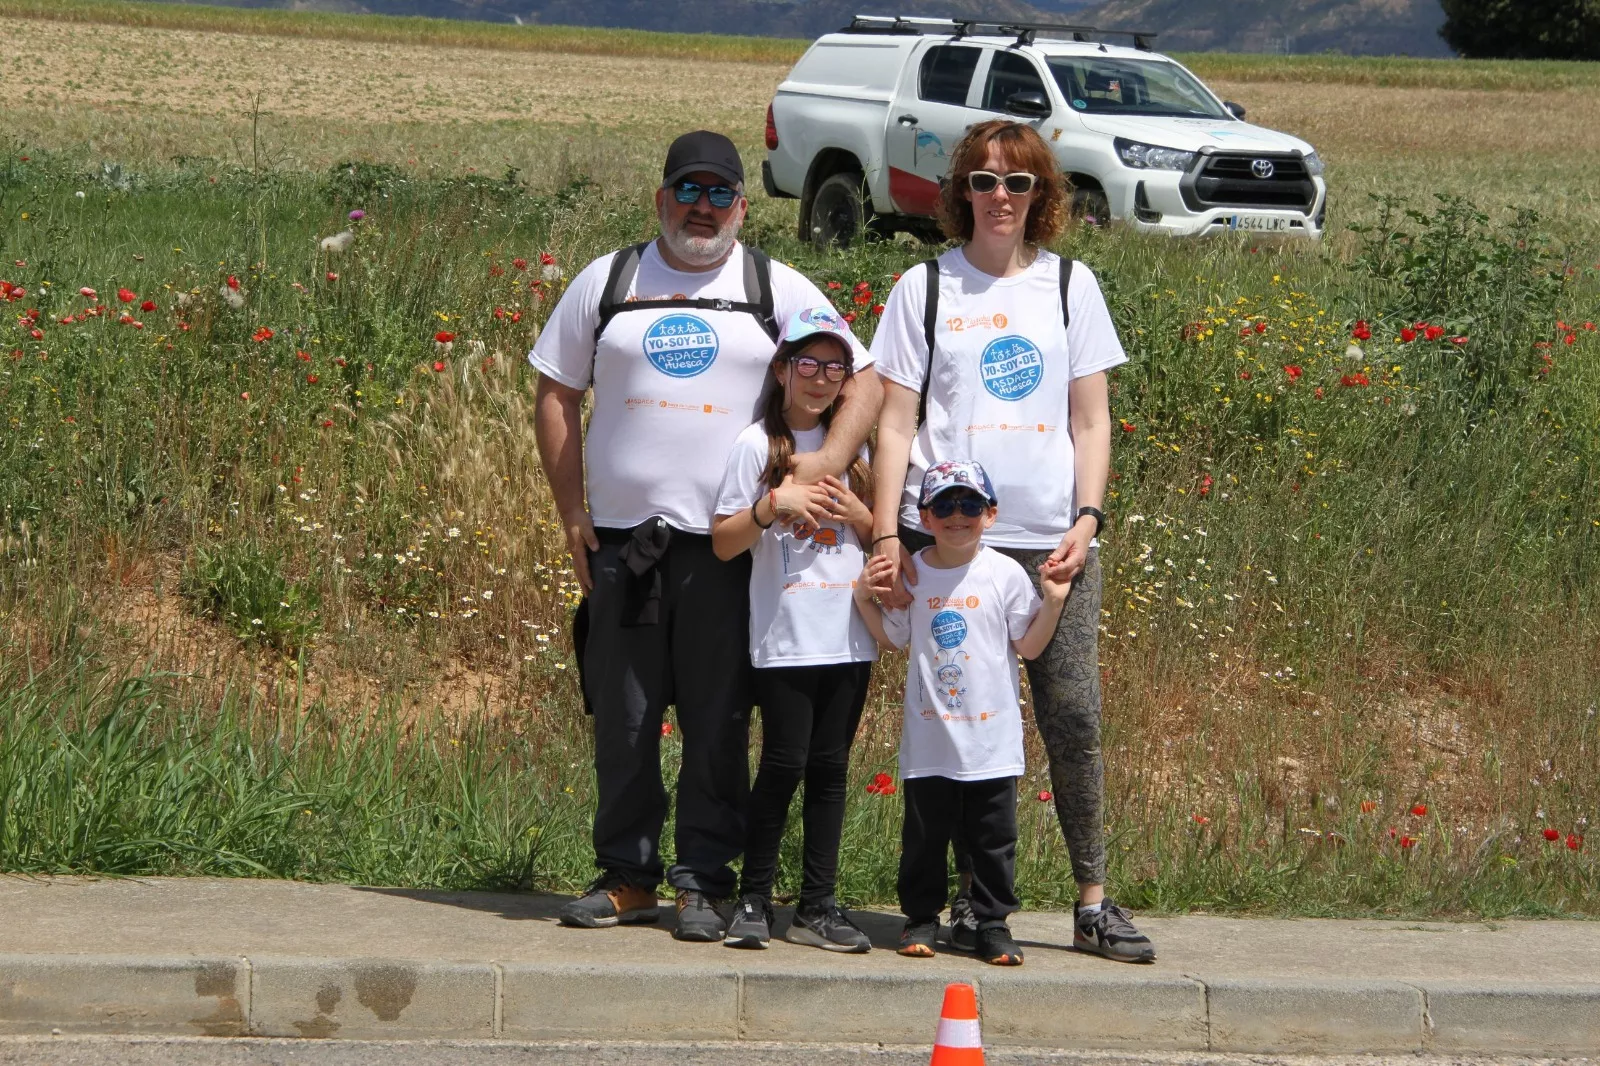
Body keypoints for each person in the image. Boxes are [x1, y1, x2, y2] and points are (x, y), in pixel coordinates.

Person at [531, 131, 881, 942]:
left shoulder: (773, 284)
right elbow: (555, 392)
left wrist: (821, 466)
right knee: (622, 721)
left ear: (741, 207)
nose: (702, 207)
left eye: (720, 193)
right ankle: (627, 876)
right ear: (661, 199)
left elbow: (862, 374)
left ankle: (703, 882)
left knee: (720, 723)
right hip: (626, 546)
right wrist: (570, 512)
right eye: (687, 190)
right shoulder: (608, 280)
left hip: (732, 548)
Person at [866, 118, 1156, 963]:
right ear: (961, 193)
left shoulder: (1071, 287)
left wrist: (1088, 519)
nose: (1001, 197)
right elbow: (895, 423)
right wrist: (889, 533)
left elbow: (1092, 419)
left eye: (1018, 183)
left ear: (1042, 197)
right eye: (985, 181)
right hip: (948, 537)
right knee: (955, 715)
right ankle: (967, 905)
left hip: (1049, 542)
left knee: (1072, 717)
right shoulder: (924, 289)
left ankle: (1092, 902)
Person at [853, 460, 1072, 967]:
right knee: (924, 837)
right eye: (944, 506)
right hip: (929, 741)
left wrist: (1054, 602)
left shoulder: (1005, 573)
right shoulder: (914, 571)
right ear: (924, 517)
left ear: (990, 514)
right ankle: (921, 918)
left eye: (970, 504)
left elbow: (1031, 647)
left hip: (992, 743)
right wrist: (863, 597)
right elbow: (894, 638)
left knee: (993, 840)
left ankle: (991, 923)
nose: (958, 516)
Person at [711, 306, 877, 954]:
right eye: (807, 363)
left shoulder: (856, 449)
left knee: (831, 769)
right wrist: (770, 505)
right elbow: (724, 543)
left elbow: (884, 536)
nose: (820, 378)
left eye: (834, 367)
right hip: (784, 638)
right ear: (781, 370)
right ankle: (753, 898)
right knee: (782, 764)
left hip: (849, 637)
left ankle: (818, 905)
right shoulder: (758, 445)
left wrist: (862, 513)